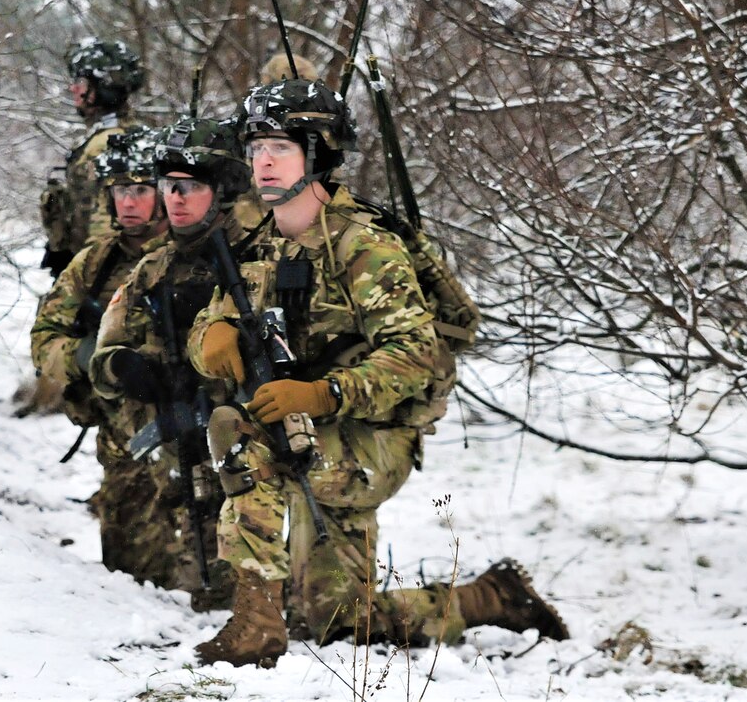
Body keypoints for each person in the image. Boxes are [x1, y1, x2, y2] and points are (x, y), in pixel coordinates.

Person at [187, 78, 568, 667]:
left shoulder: (363, 246)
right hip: (305, 433)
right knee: (338, 623)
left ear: (317, 156)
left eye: (280, 148)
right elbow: (214, 323)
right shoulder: (259, 246)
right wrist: (207, 337)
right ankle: (490, 598)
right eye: (256, 147)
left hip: (370, 440)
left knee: (236, 429)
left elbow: (415, 354)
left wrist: (323, 392)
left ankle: (256, 622)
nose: (262, 161)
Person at [88, 117, 259, 611]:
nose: (176, 198)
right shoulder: (153, 270)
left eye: (191, 186)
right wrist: (126, 369)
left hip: (251, 445)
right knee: (195, 578)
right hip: (180, 446)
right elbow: (104, 356)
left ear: (221, 191)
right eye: (169, 186)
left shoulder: (259, 257)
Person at [31, 127, 194, 595]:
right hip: (123, 440)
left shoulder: (192, 255)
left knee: (205, 574)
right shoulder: (95, 260)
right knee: (128, 578)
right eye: (120, 190)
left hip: (189, 433)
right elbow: (45, 337)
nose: (129, 202)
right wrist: (91, 358)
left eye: (141, 190)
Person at [40, 37, 144, 280]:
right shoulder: (119, 135)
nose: (73, 88)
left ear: (103, 87)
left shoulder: (108, 144)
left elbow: (106, 233)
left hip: (101, 279)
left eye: (80, 82)